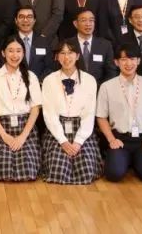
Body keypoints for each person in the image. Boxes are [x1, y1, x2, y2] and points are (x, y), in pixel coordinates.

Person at [96, 43, 142, 183]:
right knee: (114, 174)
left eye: (132, 59)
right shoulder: (107, 86)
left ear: (138, 61)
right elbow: (101, 117)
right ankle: (126, 160)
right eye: (124, 59)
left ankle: (134, 161)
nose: (128, 63)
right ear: (116, 62)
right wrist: (111, 140)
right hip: (120, 139)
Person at [0, 36, 43, 181]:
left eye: (18, 51)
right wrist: (4, 136)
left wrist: (23, 137)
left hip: (25, 129)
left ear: (23, 53)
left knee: (28, 171)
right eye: (10, 51)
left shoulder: (31, 76)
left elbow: (35, 108)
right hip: (2, 128)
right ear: (3, 53)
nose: (15, 55)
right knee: (5, 171)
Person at [40, 40, 101, 184]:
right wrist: (63, 141)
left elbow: (89, 114)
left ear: (78, 56)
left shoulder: (90, 80)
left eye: (70, 53)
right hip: (57, 130)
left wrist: (78, 141)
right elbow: (49, 114)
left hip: (82, 130)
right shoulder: (49, 80)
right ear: (56, 57)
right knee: (58, 172)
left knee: (85, 172)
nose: (66, 57)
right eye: (62, 53)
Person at [66, 9, 117, 83]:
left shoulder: (105, 45)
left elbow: (111, 72)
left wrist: (102, 88)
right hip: (74, 87)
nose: (88, 24)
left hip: (99, 88)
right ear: (75, 23)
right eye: (84, 20)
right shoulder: (67, 44)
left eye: (91, 20)